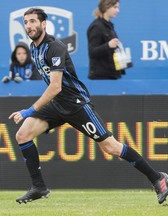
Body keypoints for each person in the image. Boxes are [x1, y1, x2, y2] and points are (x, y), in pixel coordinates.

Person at [9, 8, 168, 204]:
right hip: (57, 105)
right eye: (26, 22)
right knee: (22, 135)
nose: (29, 26)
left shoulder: (55, 47)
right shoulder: (34, 48)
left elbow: (56, 86)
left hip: (76, 105)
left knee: (111, 147)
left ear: (44, 24)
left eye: (33, 21)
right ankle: (39, 187)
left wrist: (29, 110)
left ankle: (157, 178)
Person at [87, 0, 125, 79]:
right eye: (115, 7)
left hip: (111, 75)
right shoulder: (96, 26)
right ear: (106, 7)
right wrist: (108, 45)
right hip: (101, 77)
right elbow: (92, 52)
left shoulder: (109, 26)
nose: (118, 10)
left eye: (118, 7)